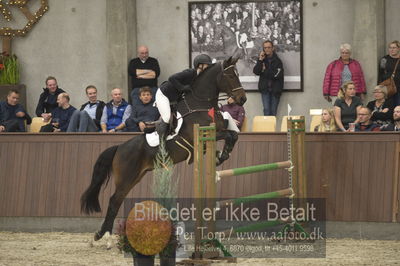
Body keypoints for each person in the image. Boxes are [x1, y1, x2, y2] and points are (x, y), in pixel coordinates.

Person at [155, 54, 213, 138]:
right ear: (200, 65)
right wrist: (182, 88)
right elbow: (172, 78)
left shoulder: (199, 78)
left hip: (175, 98)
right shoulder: (190, 72)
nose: (208, 69)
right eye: (207, 65)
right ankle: (161, 144)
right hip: (163, 94)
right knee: (167, 117)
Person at [253, 40, 284, 116]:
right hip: (265, 91)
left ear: (272, 48)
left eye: (269, 47)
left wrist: (264, 70)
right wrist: (260, 60)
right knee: (266, 111)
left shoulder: (278, 61)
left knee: (273, 112)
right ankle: (266, 128)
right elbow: (256, 71)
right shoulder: (262, 60)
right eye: (265, 48)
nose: (267, 49)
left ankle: (272, 128)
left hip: (275, 91)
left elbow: (276, 75)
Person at [378, 40, 400, 106]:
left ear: (398, 48)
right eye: (390, 48)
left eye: (394, 48)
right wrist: (379, 86)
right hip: (387, 88)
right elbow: (380, 73)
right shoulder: (384, 59)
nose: (392, 50)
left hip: (398, 89)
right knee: (388, 107)